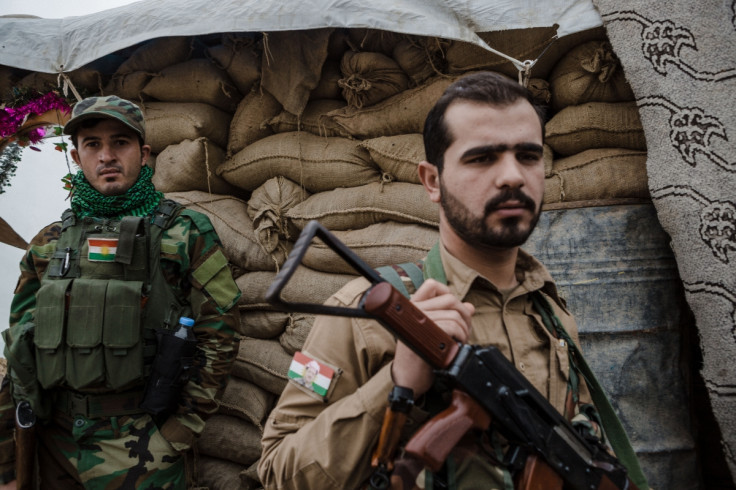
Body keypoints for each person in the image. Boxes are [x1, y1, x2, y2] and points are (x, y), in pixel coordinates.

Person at [258, 72, 617, 489]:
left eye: (528, 156)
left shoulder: (551, 313)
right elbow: (278, 471)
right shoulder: (359, 310)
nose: (513, 176)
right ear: (432, 181)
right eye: (482, 158)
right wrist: (396, 385)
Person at [0, 96, 241, 489]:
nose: (107, 155)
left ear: (143, 153)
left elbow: (221, 333)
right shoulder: (48, 244)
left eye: (120, 142)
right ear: (76, 158)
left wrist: (177, 434)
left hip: (140, 447)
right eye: (92, 144)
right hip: (53, 442)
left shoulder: (183, 232)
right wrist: (8, 465)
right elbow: (20, 350)